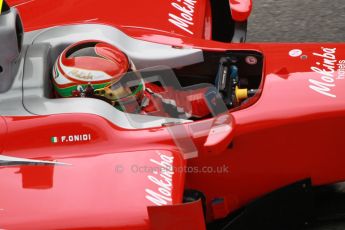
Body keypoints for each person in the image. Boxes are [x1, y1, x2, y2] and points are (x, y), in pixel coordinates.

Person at [52, 40, 212, 119]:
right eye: (119, 86)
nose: (132, 85)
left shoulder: (137, 94)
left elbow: (179, 102)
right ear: (88, 97)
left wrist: (213, 98)